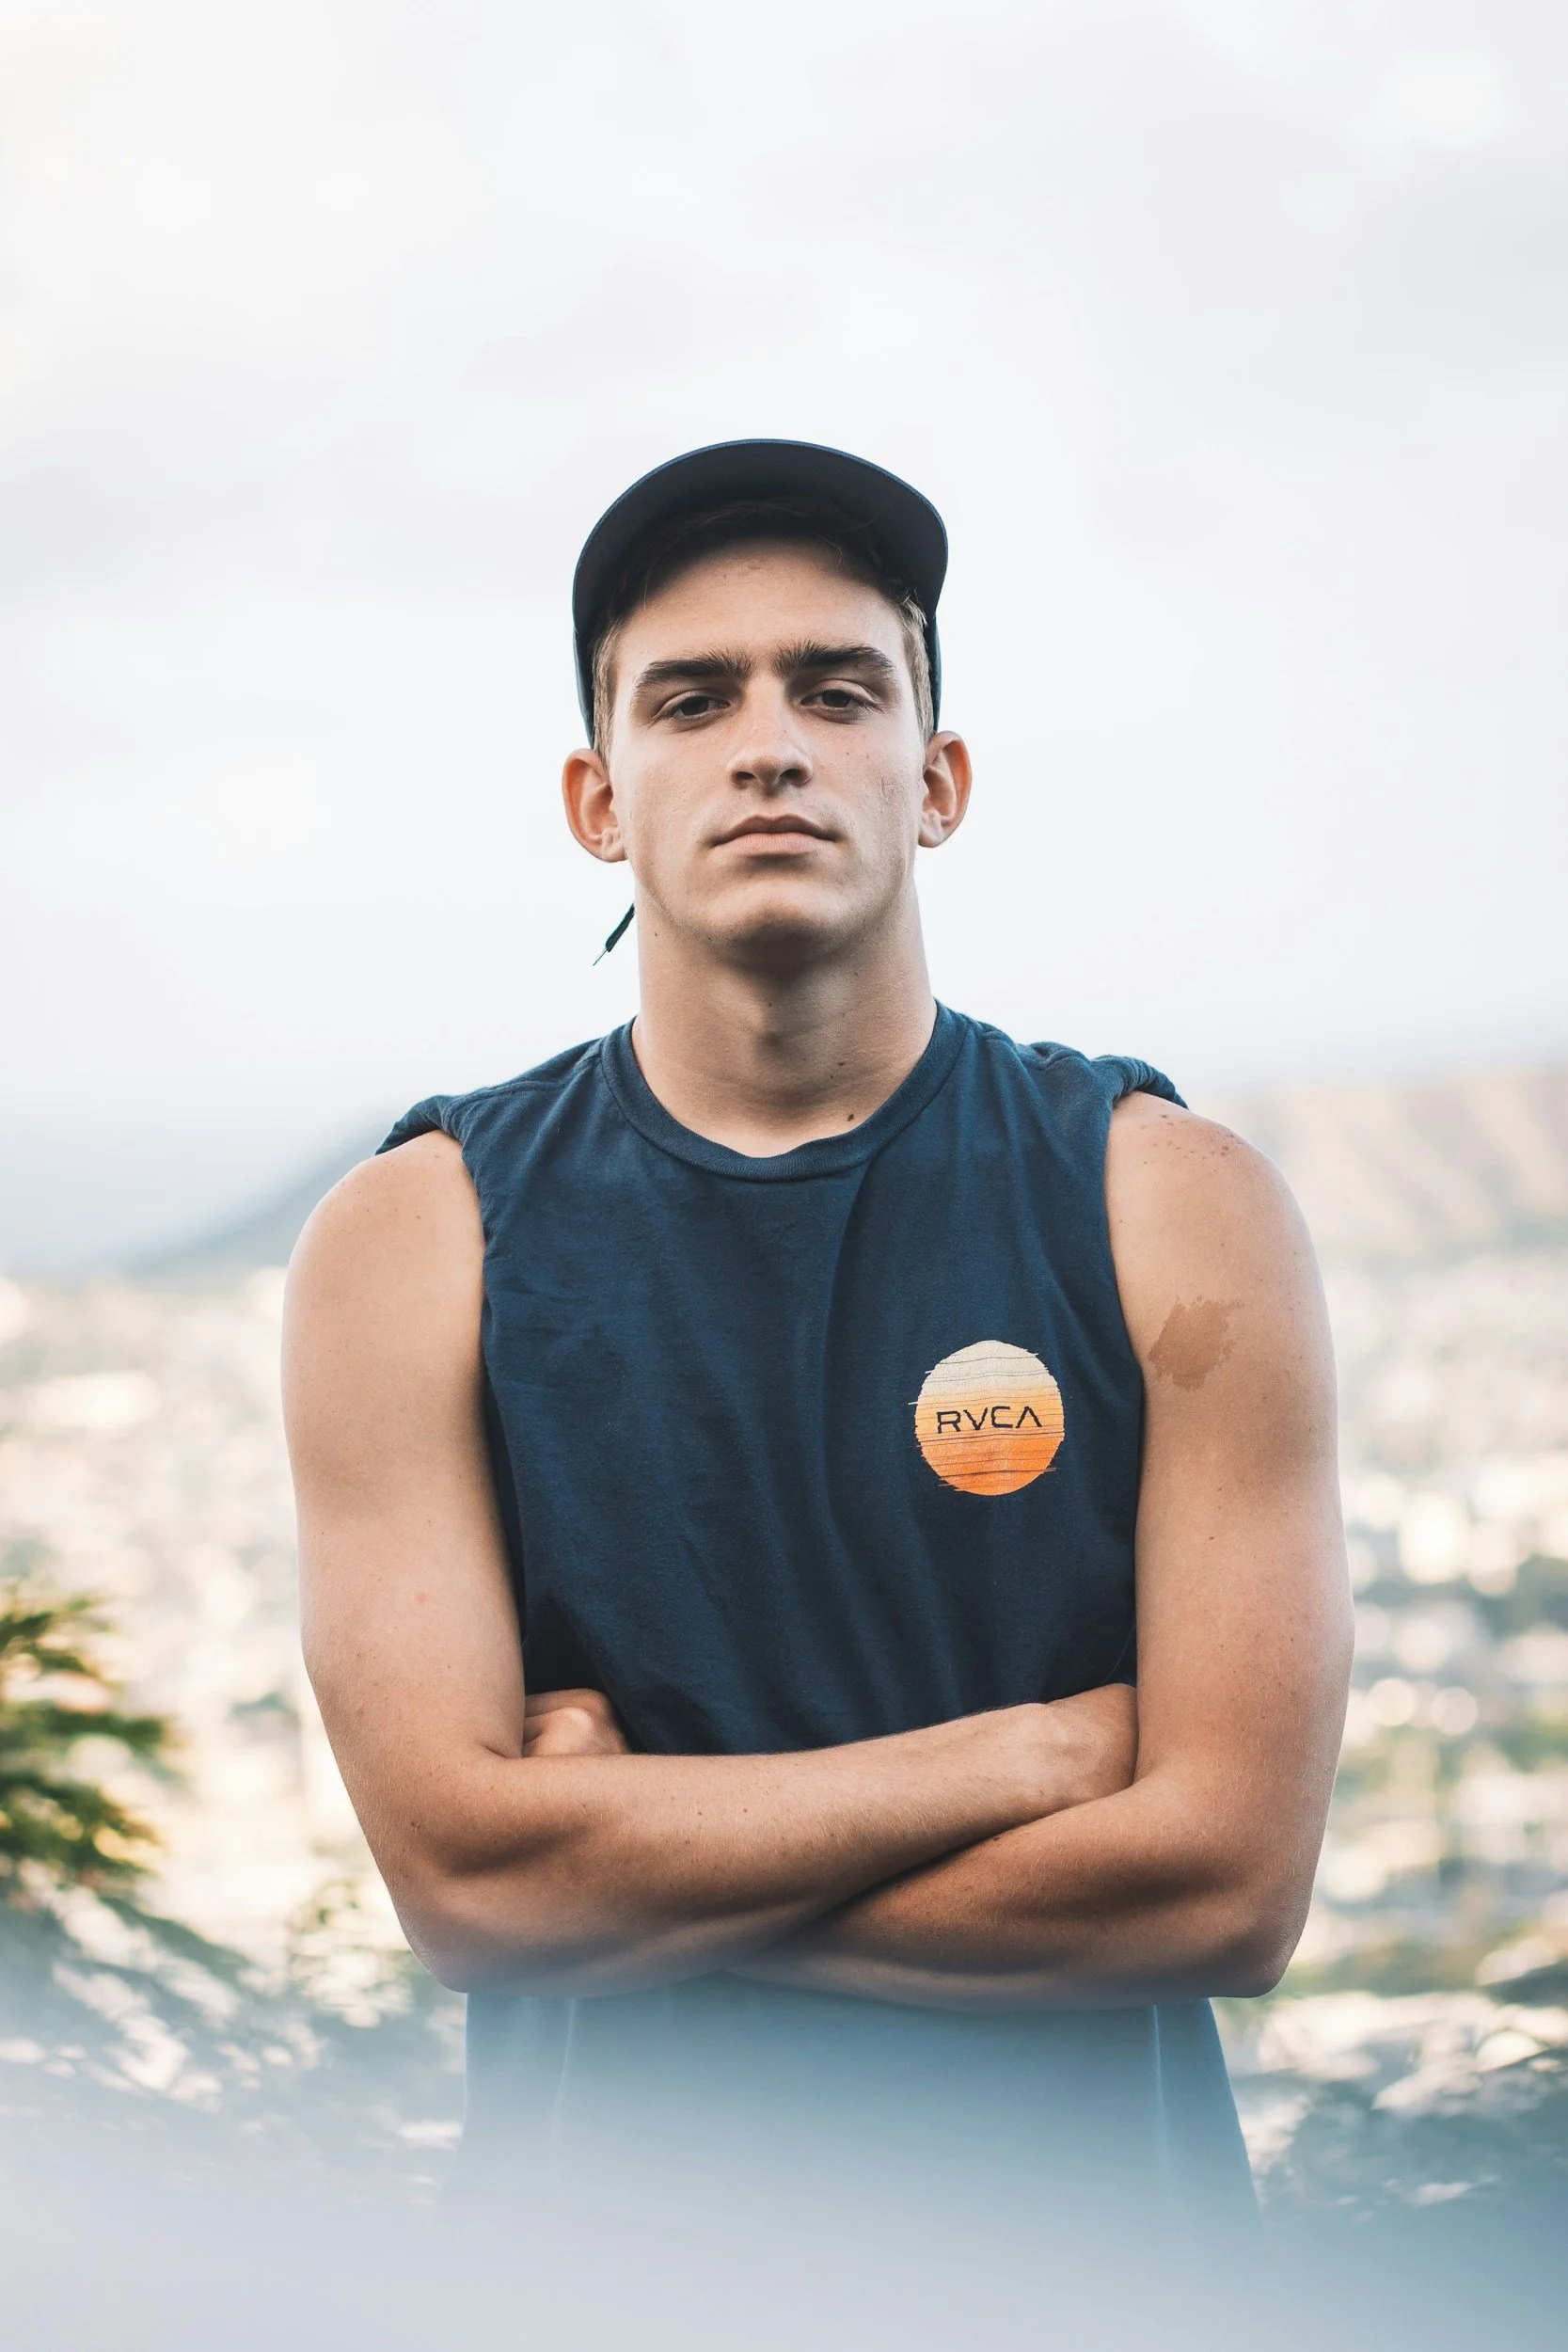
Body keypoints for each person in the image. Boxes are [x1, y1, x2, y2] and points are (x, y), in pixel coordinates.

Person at [283, 439, 1351, 2265]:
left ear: (933, 779)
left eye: (836, 687)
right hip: (598, 2284)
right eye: (688, 699)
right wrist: (1020, 1758)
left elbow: (1224, 1887)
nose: (766, 741)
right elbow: (465, 1885)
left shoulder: (1166, 1201)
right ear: (594, 797)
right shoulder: (416, 1233)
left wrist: (609, 1858)